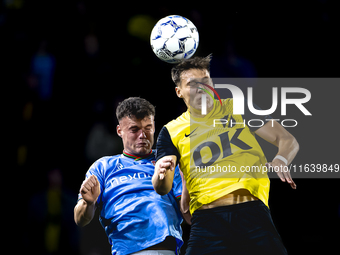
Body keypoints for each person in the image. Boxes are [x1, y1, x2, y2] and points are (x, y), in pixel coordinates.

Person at [152, 55, 299, 255]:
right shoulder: (170, 131)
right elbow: (163, 187)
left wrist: (281, 159)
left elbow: (287, 140)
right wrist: (161, 175)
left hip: (251, 213)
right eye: (192, 84)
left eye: (205, 81)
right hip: (207, 222)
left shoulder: (238, 107)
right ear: (179, 92)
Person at [74, 97, 186, 255]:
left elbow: (189, 215)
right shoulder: (103, 167)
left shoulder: (168, 161)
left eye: (148, 128)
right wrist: (87, 203)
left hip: (163, 250)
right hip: (125, 251)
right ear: (119, 131)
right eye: (134, 129)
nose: (143, 135)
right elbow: (80, 219)